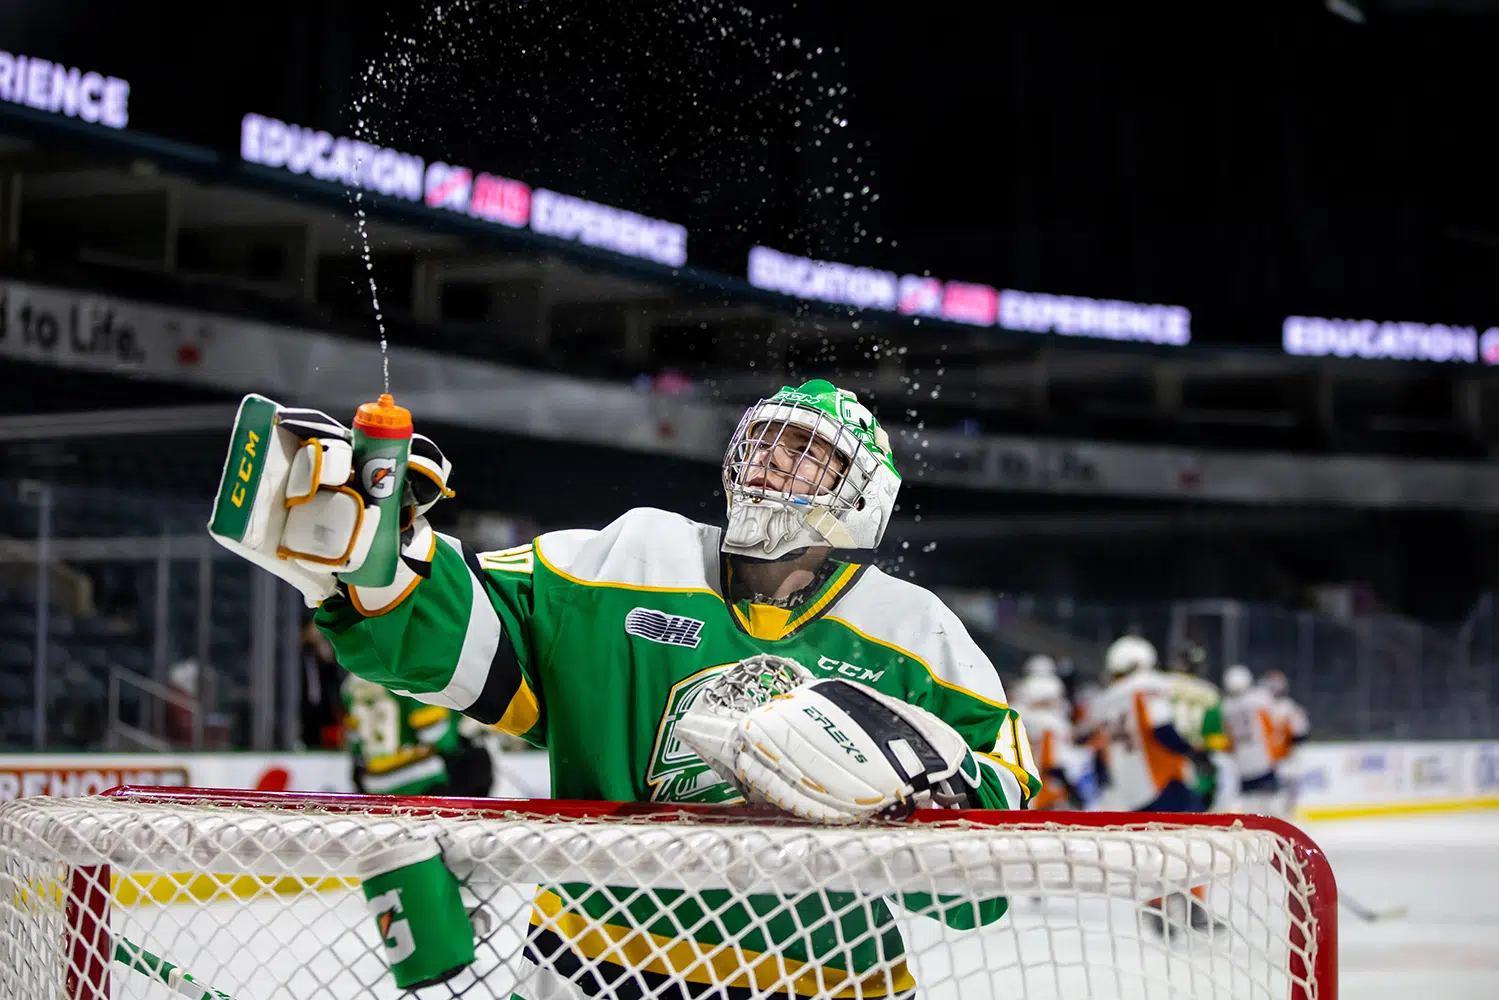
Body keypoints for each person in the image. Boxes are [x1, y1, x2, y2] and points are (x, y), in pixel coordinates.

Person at [209, 379, 1041, 1000]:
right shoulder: (628, 557)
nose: (770, 462)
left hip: (824, 976)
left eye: (805, 452)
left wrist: (922, 788)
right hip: (596, 961)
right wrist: (378, 565)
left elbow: (994, 855)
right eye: (766, 441)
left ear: (866, 498)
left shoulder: (916, 633)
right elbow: (462, 639)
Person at [343, 674, 494, 796]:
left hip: (375, 784)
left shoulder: (350, 683)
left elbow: (355, 741)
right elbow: (431, 731)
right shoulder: (403, 673)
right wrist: (456, 738)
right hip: (420, 780)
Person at [1219, 665, 1284, 816]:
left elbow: (1228, 739)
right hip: (1263, 757)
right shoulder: (1259, 699)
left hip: (1242, 761)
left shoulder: (1225, 707)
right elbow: (1274, 724)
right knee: (1272, 804)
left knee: (1250, 806)